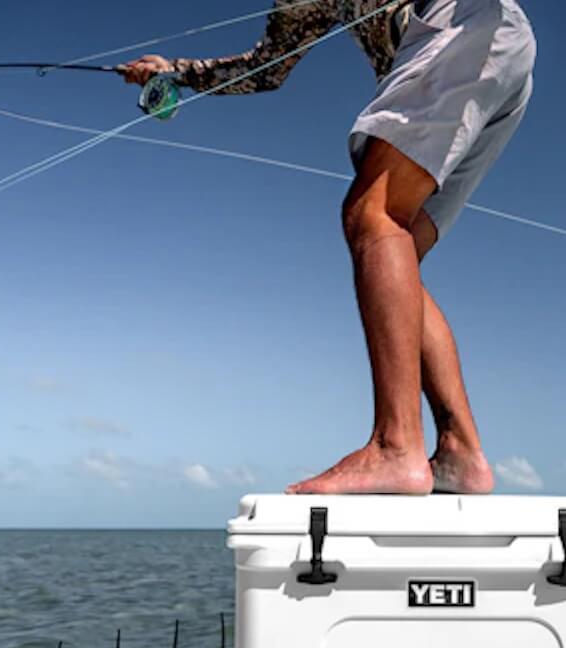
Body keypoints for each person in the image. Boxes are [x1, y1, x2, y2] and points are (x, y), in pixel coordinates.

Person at [122, 0, 536, 494]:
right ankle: (460, 450)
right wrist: (176, 73)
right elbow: (266, 67)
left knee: (373, 215)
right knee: (395, 247)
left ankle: (396, 446)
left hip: (466, 23)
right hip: (501, 56)